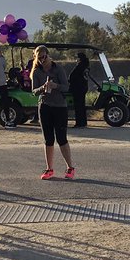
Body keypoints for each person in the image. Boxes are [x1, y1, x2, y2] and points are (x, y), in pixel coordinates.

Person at [30, 45, 75, 180]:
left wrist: (56, 86)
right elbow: (33, 92)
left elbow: (67, 87)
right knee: (48, 139)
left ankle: (70, 167)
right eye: (40, 58)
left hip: (59, 106)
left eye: (44, 57)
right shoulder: (36, 72)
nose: (43, 60)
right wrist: (42, 88)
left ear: (49, 55)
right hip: (45, 106)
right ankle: (49, 169)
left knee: (61, 138)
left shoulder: (58, 68)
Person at [69, 51, 91, 128]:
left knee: (78, 106)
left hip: (78, 88)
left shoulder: (80, 66)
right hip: (83, 87)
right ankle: (83, 122)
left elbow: (72, 76)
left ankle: (79, 123)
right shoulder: (86, 66)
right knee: (82, 106)